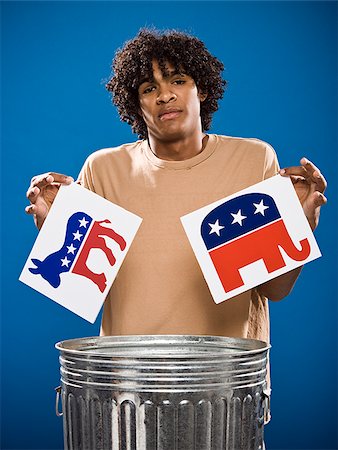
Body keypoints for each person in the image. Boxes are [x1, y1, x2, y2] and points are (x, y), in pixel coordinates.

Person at [25, 28, 327, 350]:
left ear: (203, 90)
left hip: (225, 381)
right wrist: (52, 227)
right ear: (136, 104)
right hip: (131, 378)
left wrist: (301, 225)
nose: (165, 95)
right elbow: (75, 282)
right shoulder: (103, 169)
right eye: (149, 88)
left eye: (178, 81)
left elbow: (275, 289)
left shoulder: (253, 160)